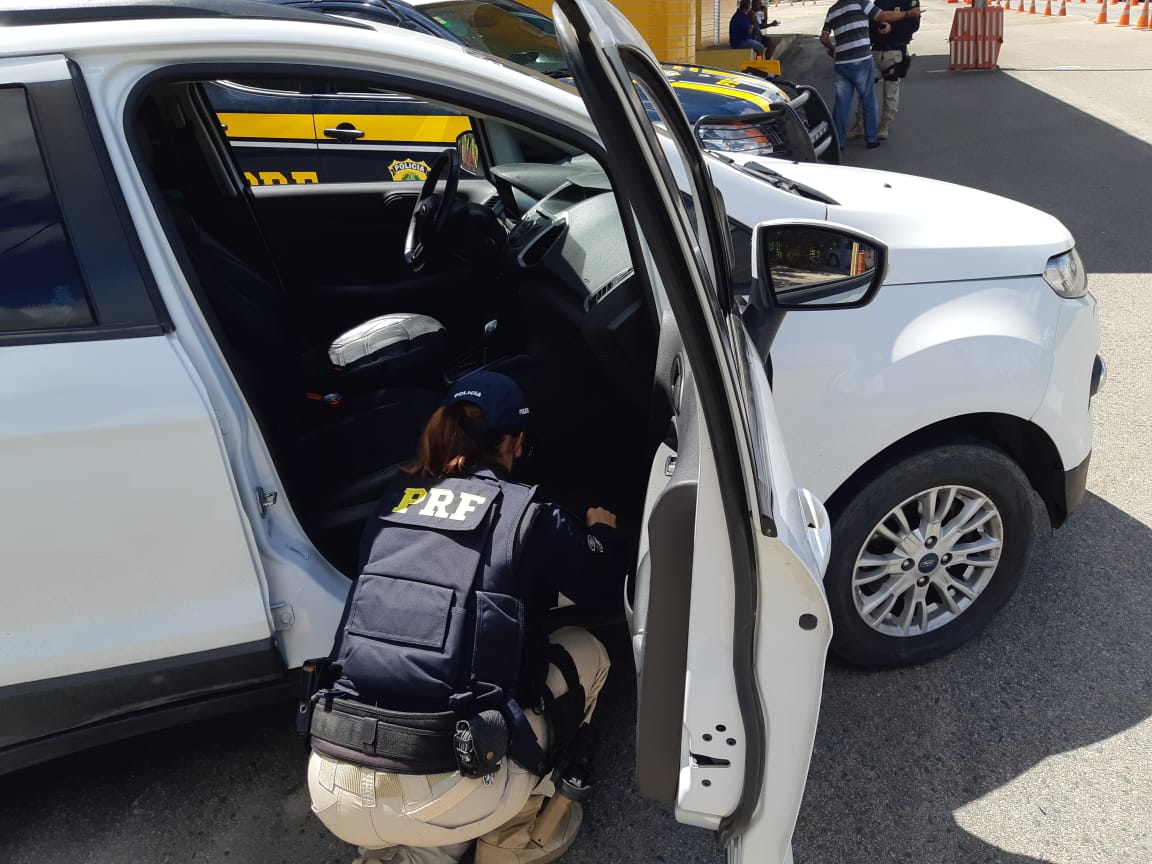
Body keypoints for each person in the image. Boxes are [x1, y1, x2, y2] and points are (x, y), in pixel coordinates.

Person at [306, 371, 622, 864]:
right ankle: (510, 840)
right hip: (446, 781)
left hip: (333, 777)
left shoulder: (392, 499)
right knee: (587, 650)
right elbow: (602, 582)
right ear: (515, 443)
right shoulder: (526, 514)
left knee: (420, 828)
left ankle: (393, 849)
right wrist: (603, 532)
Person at [820, 0, 919, 149]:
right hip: (861, 59)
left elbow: (823, 38)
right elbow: (883, 16)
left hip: (841, 62)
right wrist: (907, 14)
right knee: (868, 99)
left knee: (841, 102)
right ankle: (871, 138)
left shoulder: (832, 10)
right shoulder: (860, 2)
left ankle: (838, 141)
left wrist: (832, 49)